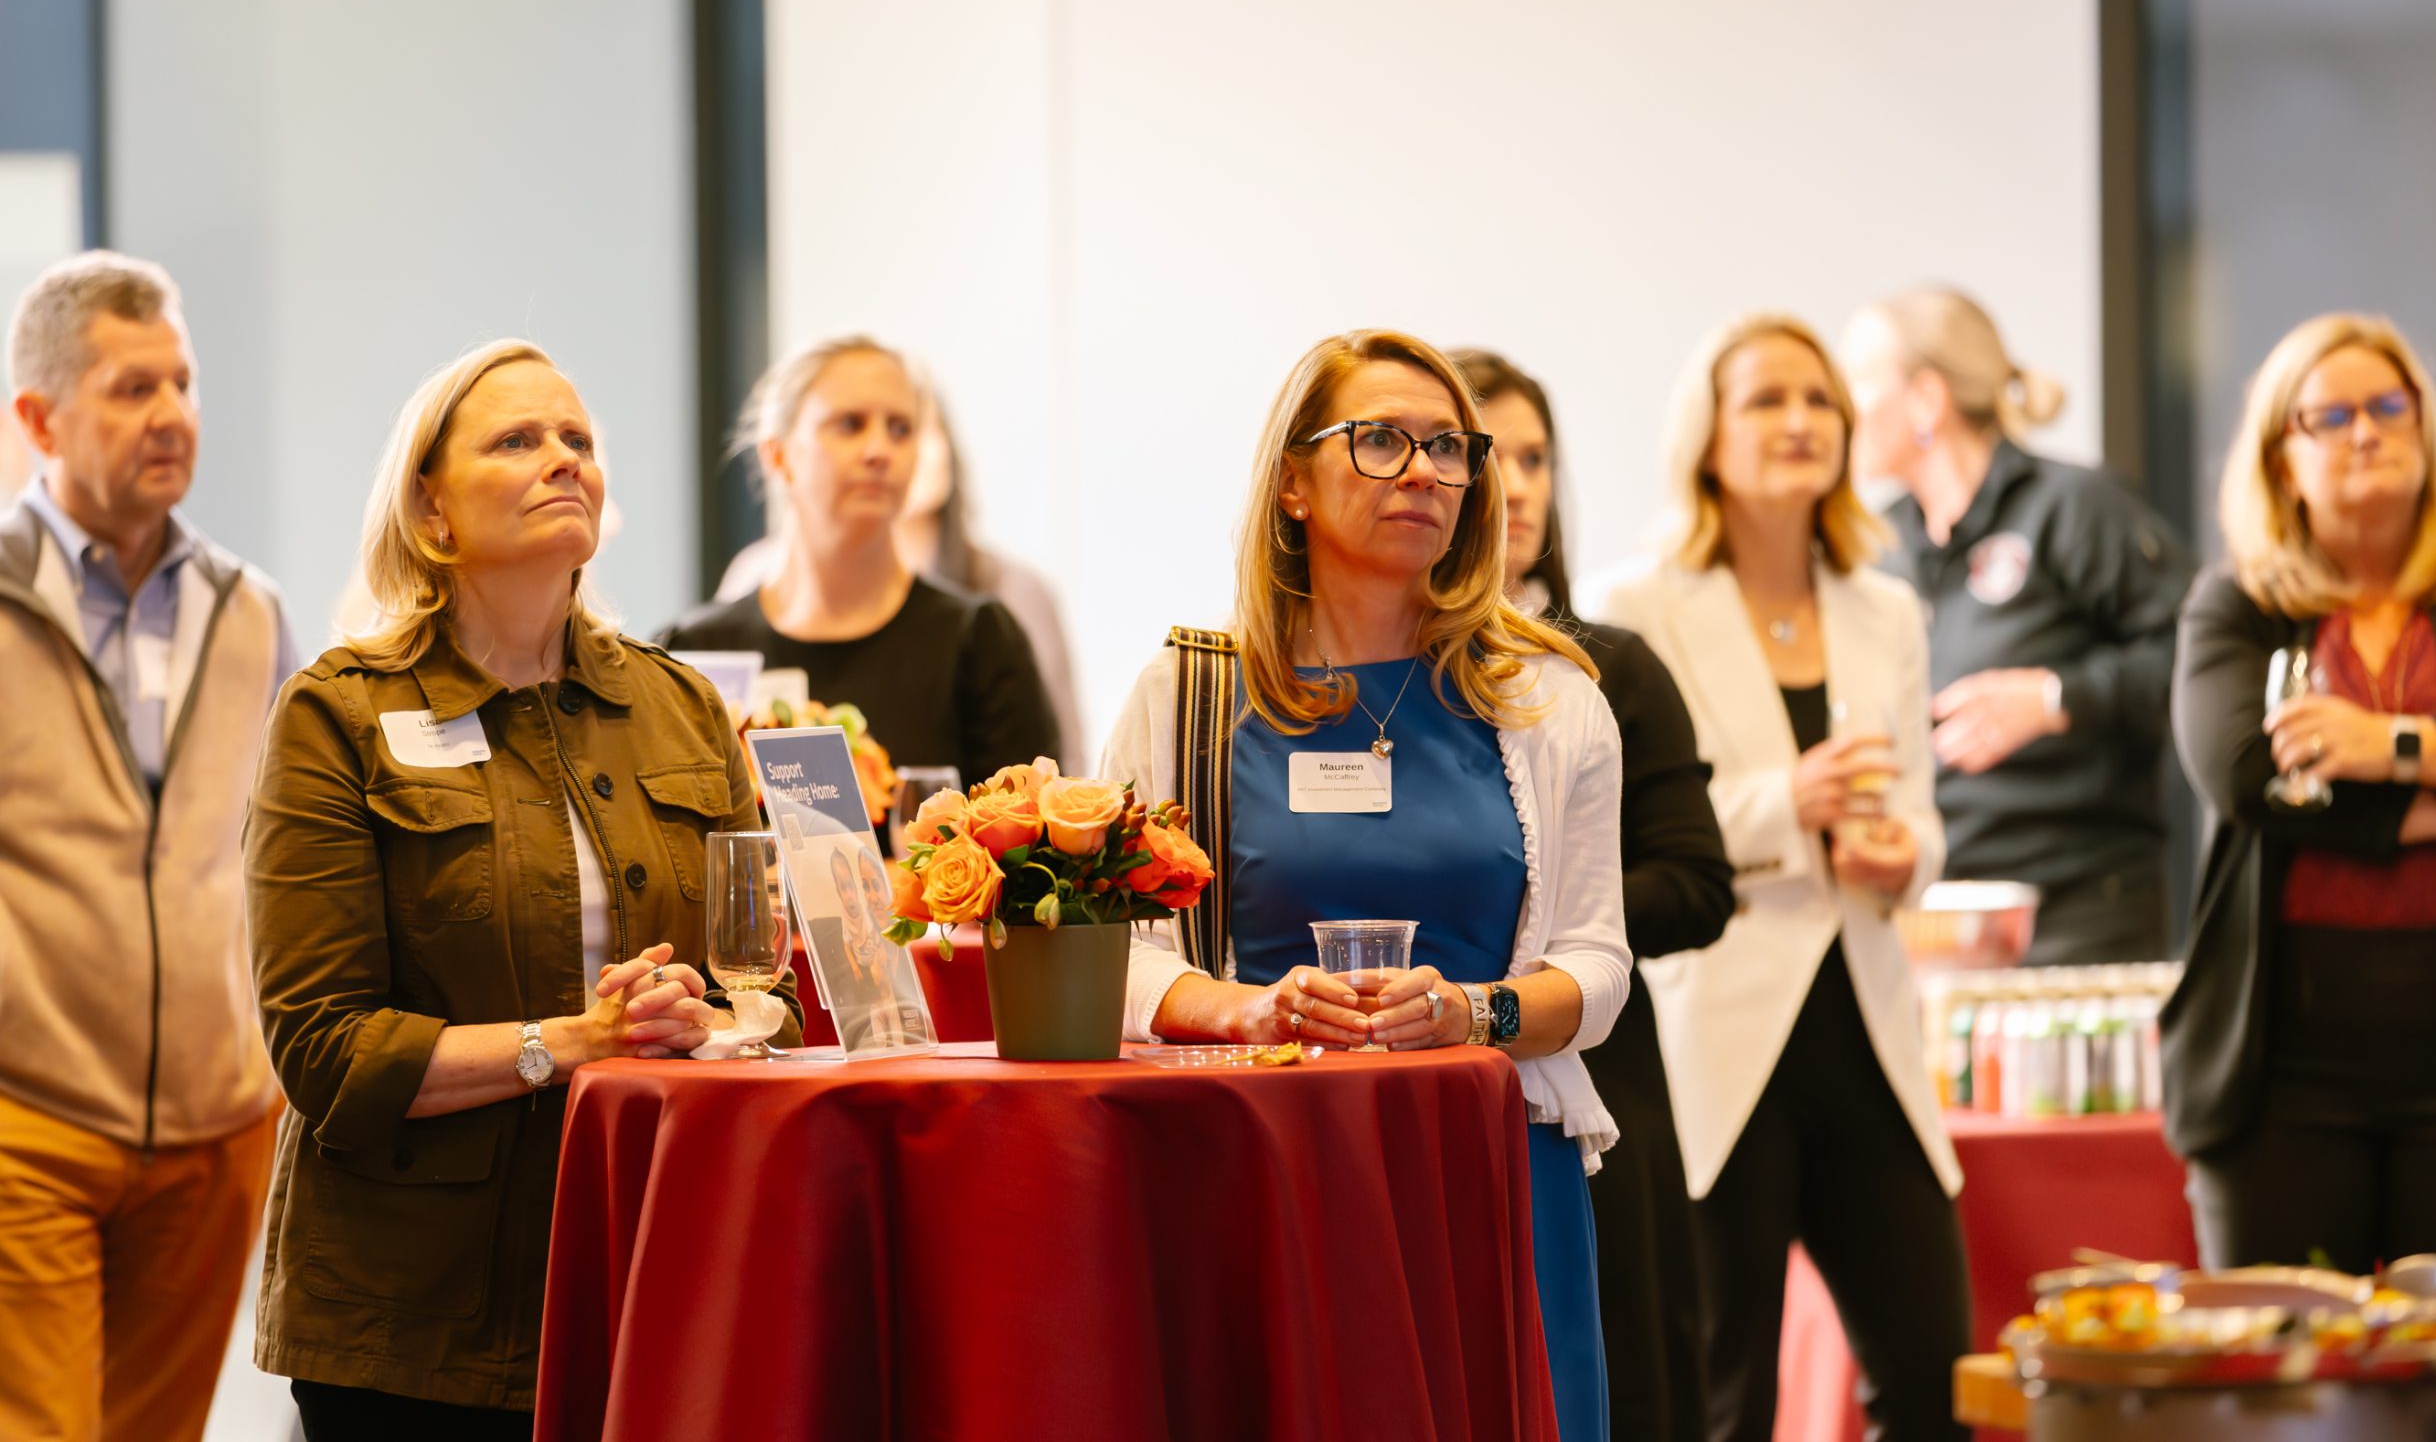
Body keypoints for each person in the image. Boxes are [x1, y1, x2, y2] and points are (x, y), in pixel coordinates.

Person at [244, 339, 797, 1436]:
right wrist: (577, 1041)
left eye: (577, 439)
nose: (563, 459)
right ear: (430, 510)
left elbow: (763, 990)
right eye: (516, 439)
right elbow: (322, 1049)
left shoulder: (683, 706)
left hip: (648, 1281)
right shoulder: (336, 714)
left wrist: (700, 1017)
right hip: (414, 1325)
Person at [1100, 330, 1631, 1442]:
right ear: (1292, 482)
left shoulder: (1548, 699)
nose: (1424, 471)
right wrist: (1248, 1010)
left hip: (1489, 1164)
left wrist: (1472, 1011)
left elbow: (1596, 965)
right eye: (1382, 440)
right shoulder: (1189, 694)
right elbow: (1116, 957)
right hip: (1267, 1166)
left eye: (1448, 447)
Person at [1599, 316, 1968, 1442]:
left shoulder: (1884, 606)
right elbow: (1628, 839)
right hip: (1718, 1038)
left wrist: (1903, 855)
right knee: (1725, 1401)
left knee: (1935, 1382)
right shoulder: (1637, 607)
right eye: (1766, 400)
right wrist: (1785, 807)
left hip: (1869, 1027)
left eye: (1820, 400)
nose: (1800, 420)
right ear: (1707, 437)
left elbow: (1920, 816)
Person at [2165, 314, 2436, 1276]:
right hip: (2279, 1067)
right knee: (2282, 1354)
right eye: (2331, 416)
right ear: (2282, 456)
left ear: (2424, 424)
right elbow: (2248, 778)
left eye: (2389, 405)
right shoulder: (2238, 604)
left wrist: (2386, 744)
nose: (2367, 431)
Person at [0, 251, 297, 1442]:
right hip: (26, 1116)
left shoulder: (250, 610)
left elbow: (282, 849)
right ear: (39, 420)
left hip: (215, 1126)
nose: (171, 414)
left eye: (182, 383)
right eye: (132, 390)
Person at [1453, 345, 1736, 1442]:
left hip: (1600, 1076)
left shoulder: (1609, 667)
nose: (1516, 485)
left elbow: (1696, 884)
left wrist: (1554, 928)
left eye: (1536, 458)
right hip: (1424, 1078)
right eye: (1488, 454)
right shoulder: (1357, 682)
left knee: (1619, 1380)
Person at [1841, 287, 2195, 964]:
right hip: (1931, 907)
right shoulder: (1877, 546)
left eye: (1857, 380)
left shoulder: (2073, 507)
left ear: (1925, 399)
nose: (1838, 407)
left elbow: (2193, 655)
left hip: (2081, 906)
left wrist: (2058, 698)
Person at [664, 335, 1060, 786]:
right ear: (778, 455)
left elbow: (1032, 823)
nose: (879, 451)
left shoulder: (979, 643)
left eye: (900, 429)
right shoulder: (694, 652)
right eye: (850, 425)